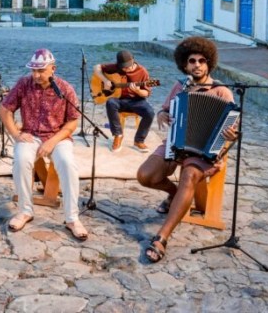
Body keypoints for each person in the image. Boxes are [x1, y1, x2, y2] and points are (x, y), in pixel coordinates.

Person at [136, 37, 238, 263]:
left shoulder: (221, 92)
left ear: (209, 63)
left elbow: (232, 131)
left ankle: (162, 237)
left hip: (203, 152)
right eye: (192, 61)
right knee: (144, 176)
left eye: (202, 61)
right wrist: (162, 115)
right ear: (185, 64)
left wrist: (231, 135)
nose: (197, 65)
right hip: (175, 143)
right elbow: (164, 109)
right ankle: (175, 195)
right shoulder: (179, 86)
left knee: (189, 174)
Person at [0, 48, 89, 241]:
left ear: (53, 69)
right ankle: (25, 211)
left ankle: (72, 218)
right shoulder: (24, 84)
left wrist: (53, 142)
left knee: (67, 164)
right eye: (33, 70)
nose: (36, 75)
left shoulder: (65, 88)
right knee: (21, 160)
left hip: (58, 136)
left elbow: (73, 121)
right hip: (30, 134)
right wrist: (15, 134)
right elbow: (5, 109)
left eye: (41, 71)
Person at [93, 50, 155, 153]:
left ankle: (139, 140)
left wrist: (138, 90)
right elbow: (96, 67)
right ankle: (118, 135)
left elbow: (146, 93)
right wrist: (105, 80)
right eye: (123, 67)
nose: (126, 69)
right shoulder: (117, 67)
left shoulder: (142, 71)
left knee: (150, 112)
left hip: (137, 101)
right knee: (110, 102)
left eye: (128, 66)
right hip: (120, 100)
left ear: (133, 61)